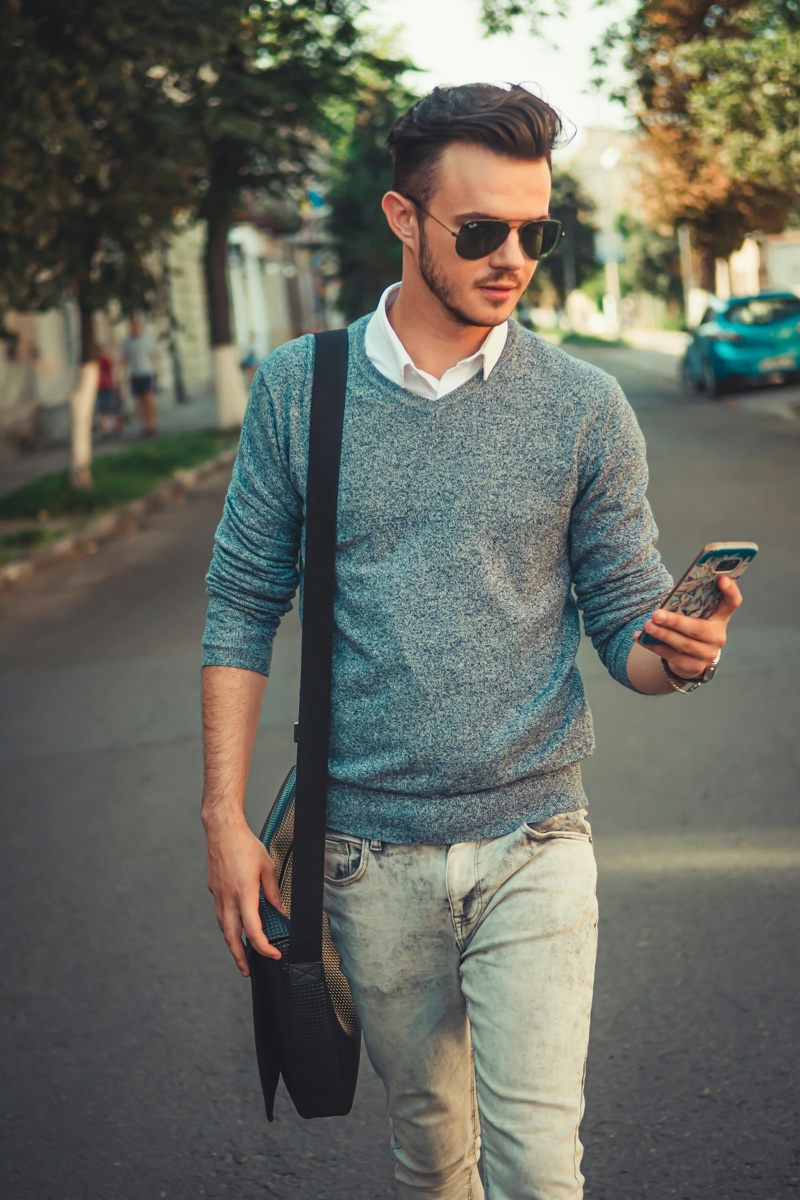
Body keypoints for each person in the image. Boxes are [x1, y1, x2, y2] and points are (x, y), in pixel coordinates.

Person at [200, 84, 743, 1200]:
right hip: (366, 857)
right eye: (479, 230)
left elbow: (623, 626)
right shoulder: (303, 392)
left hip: (534, 840)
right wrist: (221, 819)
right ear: (404, 219)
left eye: (534, 233)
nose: (511, 259)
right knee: (429, 1151)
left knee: (537, 1164)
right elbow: (242, 603)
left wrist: (672, 653)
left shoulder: (584, 406)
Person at [120, 317, 159, 437]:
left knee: (149, 398)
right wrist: (123, 375)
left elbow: (155, 354)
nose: (134, 328)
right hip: (134, 374)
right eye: (131, 326)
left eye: (136, 326)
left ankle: (152, 423)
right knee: (140, 400)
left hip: (147, 372)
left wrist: (157, 370)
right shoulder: (127, 342)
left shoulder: (147, 339)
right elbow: (125, 359)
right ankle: (145, 425)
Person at [94, 344, 123, 439]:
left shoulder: (106, 359)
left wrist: (116, 383)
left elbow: (113, 371)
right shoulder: (96, 362)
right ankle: (106, 428)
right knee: (104, 409)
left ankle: (112, 426)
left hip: (108, 386)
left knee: (110, 407)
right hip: (101, 387)